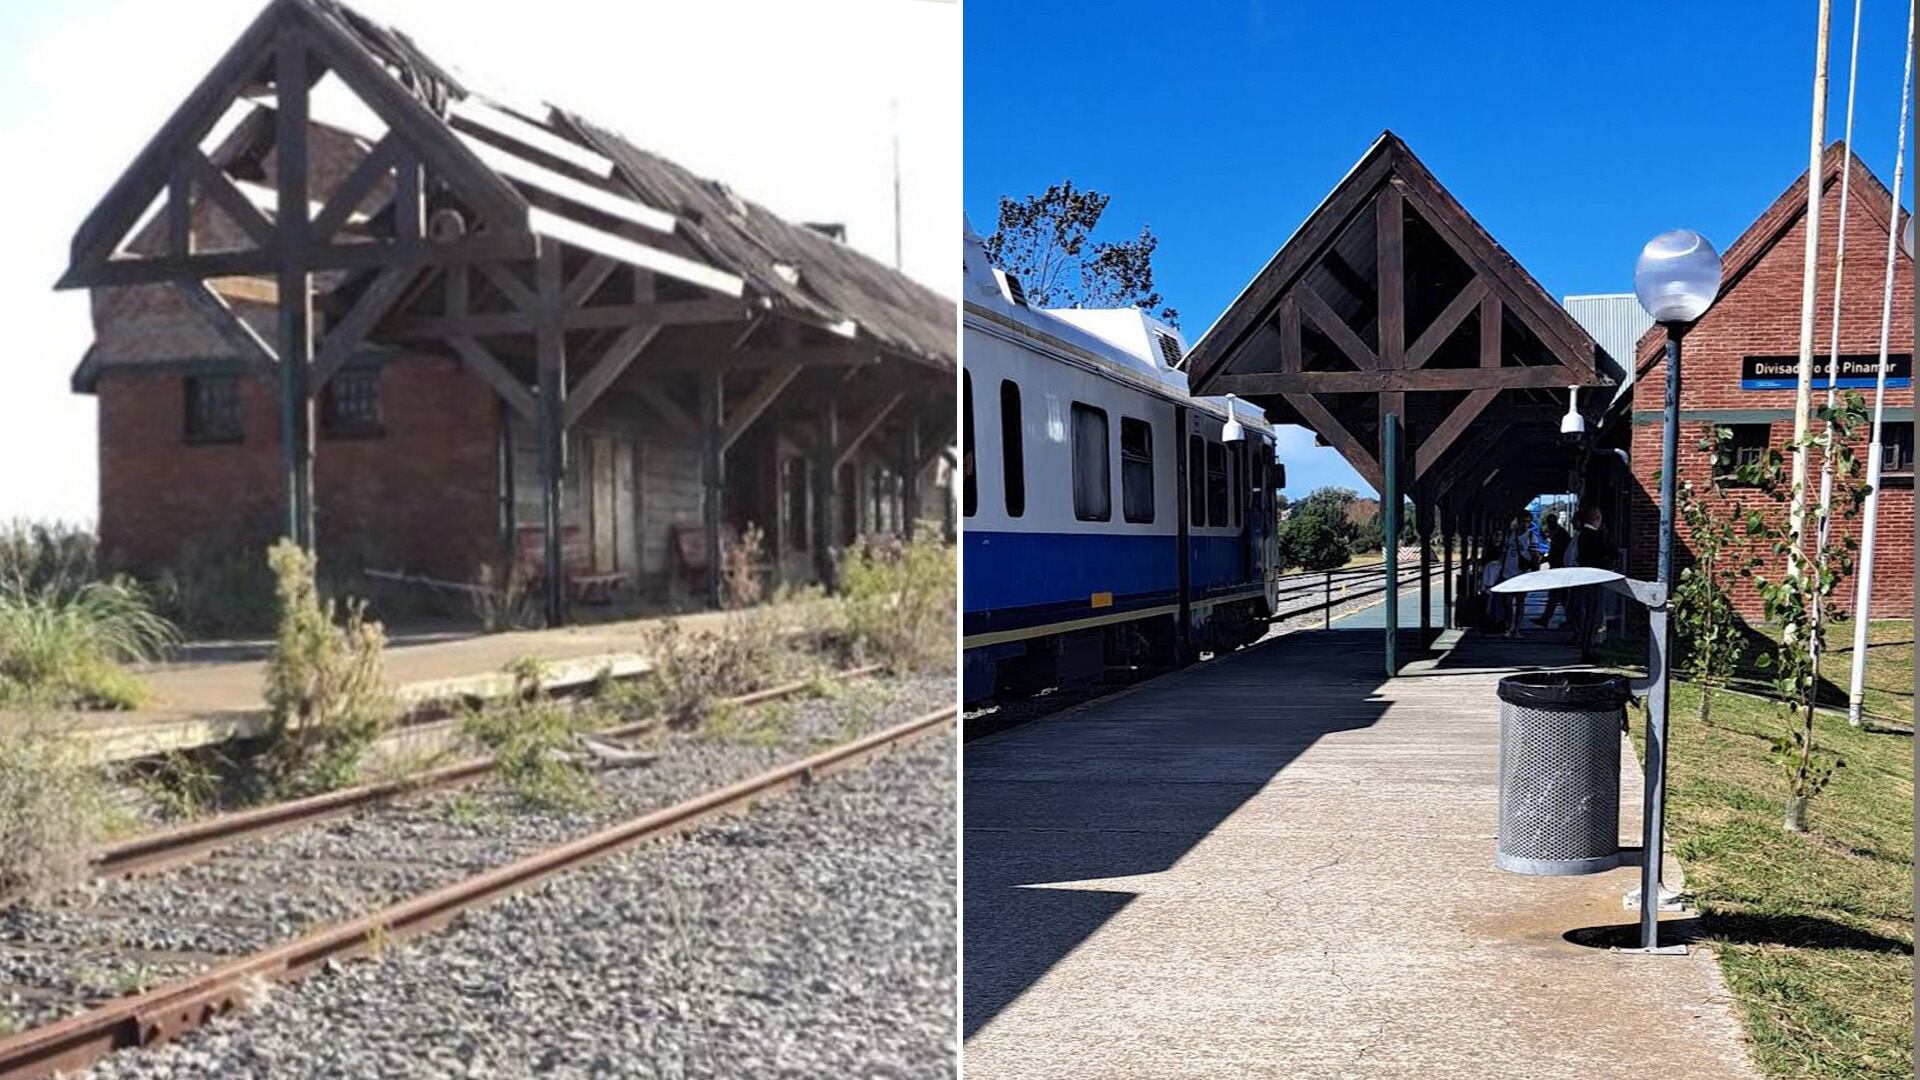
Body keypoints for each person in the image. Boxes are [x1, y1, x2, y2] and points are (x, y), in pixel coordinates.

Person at [1569, 506, 1618, 661]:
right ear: (1597, 519)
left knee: (1586, 612)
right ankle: (1589, 647)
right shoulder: (1596, 536)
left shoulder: (1580, 535)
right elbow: (1609, 553)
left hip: (1582, 577)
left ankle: (1585, 644)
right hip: (1595, 578)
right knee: (1594, 614)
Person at [1495, 511, 1534, 638]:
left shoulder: (1531, 536)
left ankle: (1516, 629)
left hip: (1522, 573)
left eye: (1528, 521)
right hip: (1508, 571)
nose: (1525, 524)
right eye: (1523, 521)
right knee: (1507, 601)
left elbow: (1535, 555)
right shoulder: (1510, 534)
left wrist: (1534, 571)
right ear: (1518, 521)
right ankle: (1509, 626)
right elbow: (1504, 552)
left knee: (1520, 601)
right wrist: (1500, 568)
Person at [1533, 511, 1572, 628]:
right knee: (1558, 596)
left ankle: (1567, 620)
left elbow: (1559, 552)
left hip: (1560, 569)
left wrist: (1544, 560)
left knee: (1558, 596)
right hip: (1557, 568)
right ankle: (1549, 618)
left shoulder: (1560, 535)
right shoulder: (1559, 534)